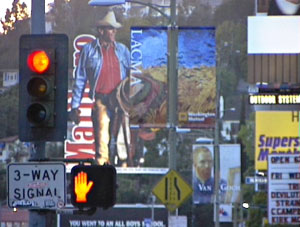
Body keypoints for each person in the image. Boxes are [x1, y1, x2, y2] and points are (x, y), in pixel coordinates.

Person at [69, 10, 131, 166]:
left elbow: (133, 73)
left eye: (114, 28)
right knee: (102, 141)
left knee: (124, 141)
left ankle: (124, 168)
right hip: (101, 99)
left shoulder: (122, 50)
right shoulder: (89, 51)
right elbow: (80, 78)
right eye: (110, 28)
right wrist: (75, 106)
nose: (114, 32)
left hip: (121, 100)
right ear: (101, 31)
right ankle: (103, 170)